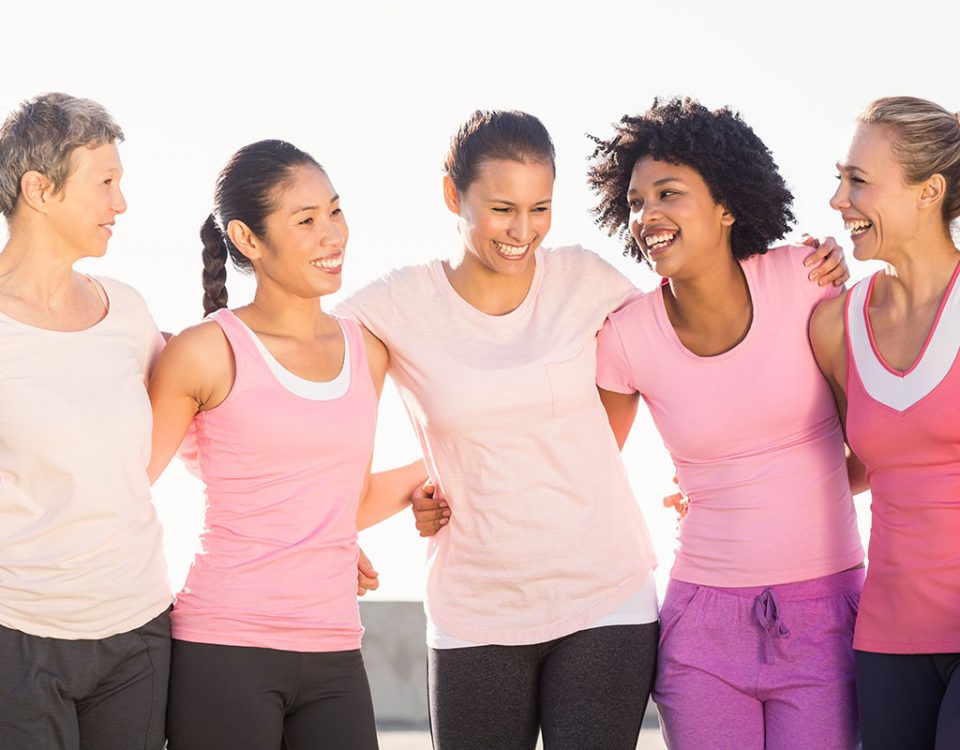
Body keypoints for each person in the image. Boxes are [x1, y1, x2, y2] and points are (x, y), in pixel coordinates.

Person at [337, 109, 848, 750]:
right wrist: (383, 500)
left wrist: (812, 262)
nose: (522, 231)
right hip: (475, 602)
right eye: (502, 209)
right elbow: (303, 380)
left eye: (540, 208)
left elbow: (691, 351)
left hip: (607, 596)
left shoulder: (587, 281)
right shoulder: (396, 304)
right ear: (452, 195)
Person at [589, 98, 864, 750]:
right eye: (633, 202)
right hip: (703, 627)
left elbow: (874, 446)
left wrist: (788, 496)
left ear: (727, 205)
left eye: (668, 193)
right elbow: (586, 472)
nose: (646, 214)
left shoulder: (805, 282)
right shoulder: (626, 337)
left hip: (825, 615)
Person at [146, 140, 426, 750]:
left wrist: (438, 468)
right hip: (223, 649)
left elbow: (343, 503)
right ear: (248, 239)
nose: (333, 235)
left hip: (334, 651)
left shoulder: (367, 351)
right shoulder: (203, 351)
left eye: (334, 211)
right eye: (306, 221)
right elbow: (126, 485)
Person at [0, 93, 172, 749]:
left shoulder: (126, 312)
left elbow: (206, 421)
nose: (120, 204)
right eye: (105, 183)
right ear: (40, 189)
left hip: (138, 635)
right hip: (17, 640)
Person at [810, 96, 960, 750]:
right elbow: (860, 466)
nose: (838, 200)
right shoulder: (834, 323)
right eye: (840, 178)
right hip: (888, 638)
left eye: (859, 180)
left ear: (930, 192)